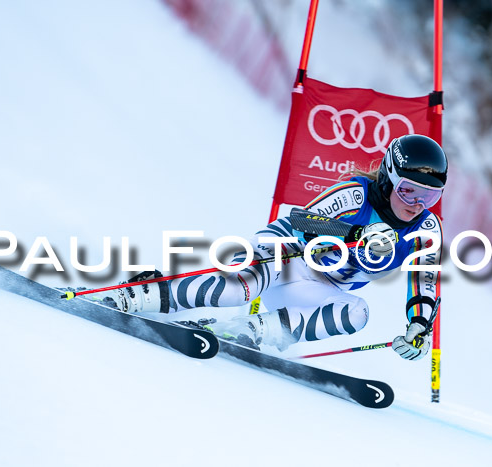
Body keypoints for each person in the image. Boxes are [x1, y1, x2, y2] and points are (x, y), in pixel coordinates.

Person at [96, 134, 445, 361]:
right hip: (286, 255)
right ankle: (141, 295)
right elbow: (303, 222)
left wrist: (418, 325)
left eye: (429, 196)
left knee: (358, 313)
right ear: (387, 178)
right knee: (237, 290)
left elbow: (424, 283)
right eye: (409, 190)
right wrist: (356, 234)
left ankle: (252, 332)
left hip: (319, 289)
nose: (416, 203)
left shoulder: (427, 229)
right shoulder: (356, 194)